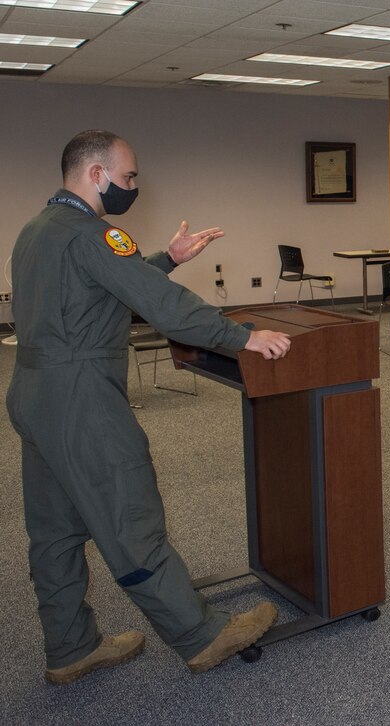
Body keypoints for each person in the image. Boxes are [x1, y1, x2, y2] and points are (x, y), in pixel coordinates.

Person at [7, 130, 292, 683]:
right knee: (130, 516)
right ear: (96, 174)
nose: (133, 186)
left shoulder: (35, 230)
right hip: (81, 400)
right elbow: (163, 307)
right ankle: (200, 635)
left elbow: (98, 289)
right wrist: (241, 337)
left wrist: (165, 257)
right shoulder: (95, 235)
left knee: (55, 530)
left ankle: (70, 648)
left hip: (33, 394)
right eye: (129, 176)